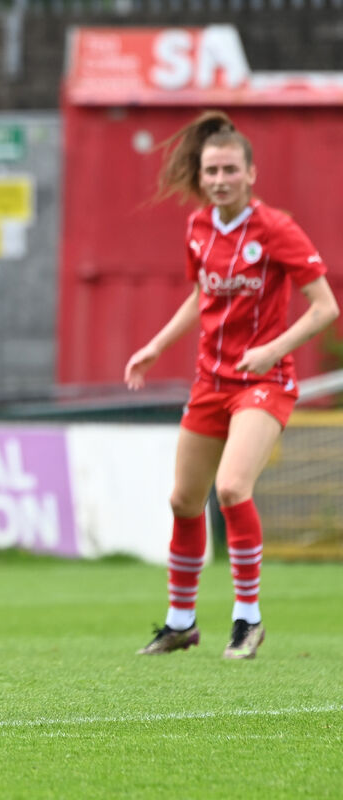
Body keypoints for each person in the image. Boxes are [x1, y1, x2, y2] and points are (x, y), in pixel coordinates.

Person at [125, 111, 338, 660]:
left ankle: (247, 619)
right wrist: (156, 344)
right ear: (201, 177)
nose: (219, 179)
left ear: (251, 173)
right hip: (210, 382)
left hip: (264, 382)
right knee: (183, 500)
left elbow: (324, 307)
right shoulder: (198, 228)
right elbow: (202, 296)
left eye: (229, 169)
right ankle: (180, 622)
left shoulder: (275, 229)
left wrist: (273, 349)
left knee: (232, 489)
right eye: (210, 171)